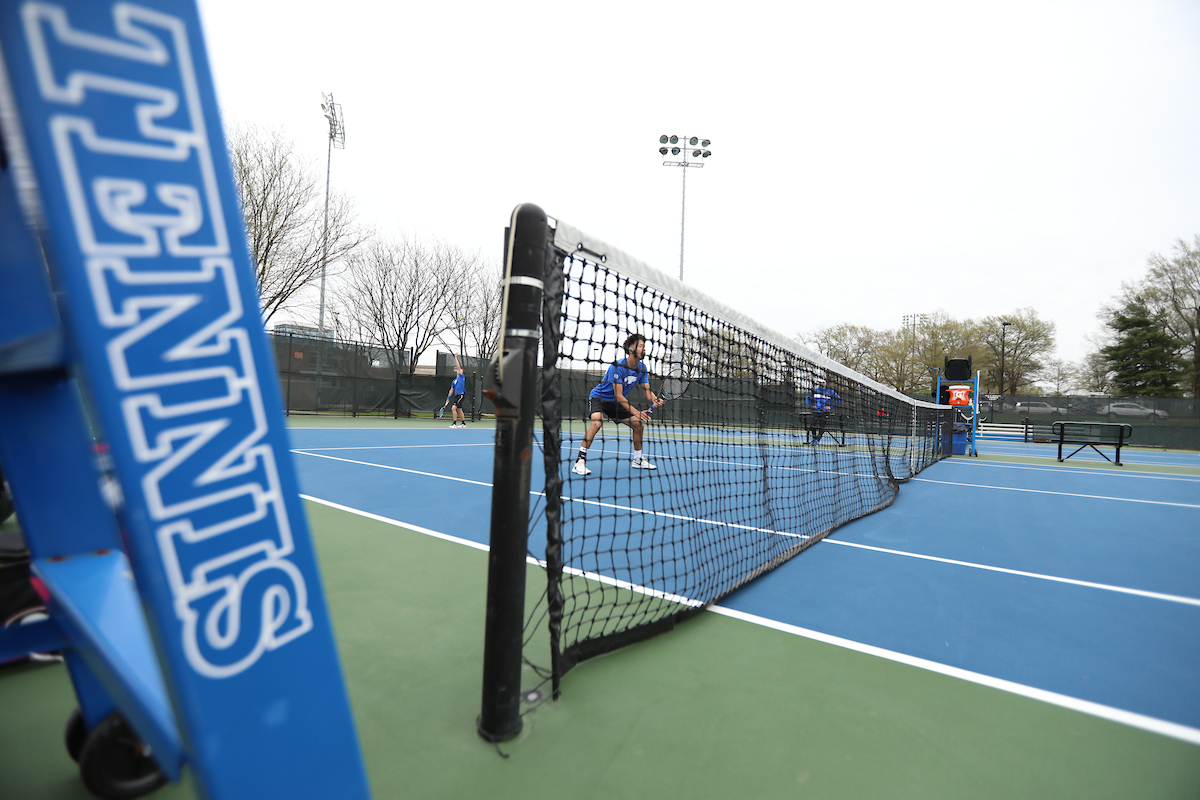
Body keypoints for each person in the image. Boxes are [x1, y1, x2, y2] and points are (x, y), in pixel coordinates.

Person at [572, 334, 664, 475]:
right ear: (631, 349)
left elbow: (647, 391)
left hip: (614, 403)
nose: (644, 349)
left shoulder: (642, 368)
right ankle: (580, 461)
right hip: (599, 398)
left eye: (644, 347)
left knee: (638, 424)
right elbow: (619, 395)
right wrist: (636, 412)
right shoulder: (618, 366)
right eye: (641, 346)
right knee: (597, 423)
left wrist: (654, 399)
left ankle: (638, 460)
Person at [805, 377, 842, 444]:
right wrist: (811, 406)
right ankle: (814, 438)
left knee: (822, 426)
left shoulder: (830, 391)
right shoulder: (814, 391)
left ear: (825, 383)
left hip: (825, 412)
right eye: (819, 382)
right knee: (812, 425)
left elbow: (838, 399)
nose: (820, 384)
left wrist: (830, 407)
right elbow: (808, 399)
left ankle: (817, 440)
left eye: (822, 382)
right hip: (816, 411)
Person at [446, 353, 467, 428]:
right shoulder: (454, 381)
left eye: (460, 370)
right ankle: (463, 423)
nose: (459, 370)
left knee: (453, 408)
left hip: (461, 395)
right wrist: (448, 398)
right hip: (456, 396)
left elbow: (458, 366)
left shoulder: (462, 377)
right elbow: (451, 390)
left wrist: (456, 358)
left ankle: (454, 424)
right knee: (459, 409)